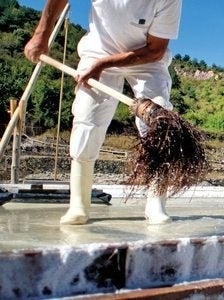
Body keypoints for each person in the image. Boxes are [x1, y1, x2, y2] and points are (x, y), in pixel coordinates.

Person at [24, 0, 182, 225]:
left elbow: (155, 50)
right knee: (87, 120)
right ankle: (78, 204)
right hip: (98, 52)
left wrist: (106, 64)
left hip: (145, 58)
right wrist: (41, 34)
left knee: (160, 122)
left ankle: (156, 204)